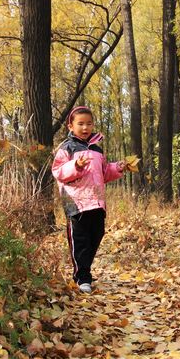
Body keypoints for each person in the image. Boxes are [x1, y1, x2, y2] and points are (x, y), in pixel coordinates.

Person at [51, 106, 127, 293]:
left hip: (97, 201)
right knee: (80, 240)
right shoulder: (66, 148)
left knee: (97, 234)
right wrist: (75, 165)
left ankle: (84, 269)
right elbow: (58, 172)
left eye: (89, 124)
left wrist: (118, 168)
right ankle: (82, 276)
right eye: (81, 124)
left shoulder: (97, 149)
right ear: (71, 126)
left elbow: (103, 173)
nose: (85, 128)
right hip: (76, 203)